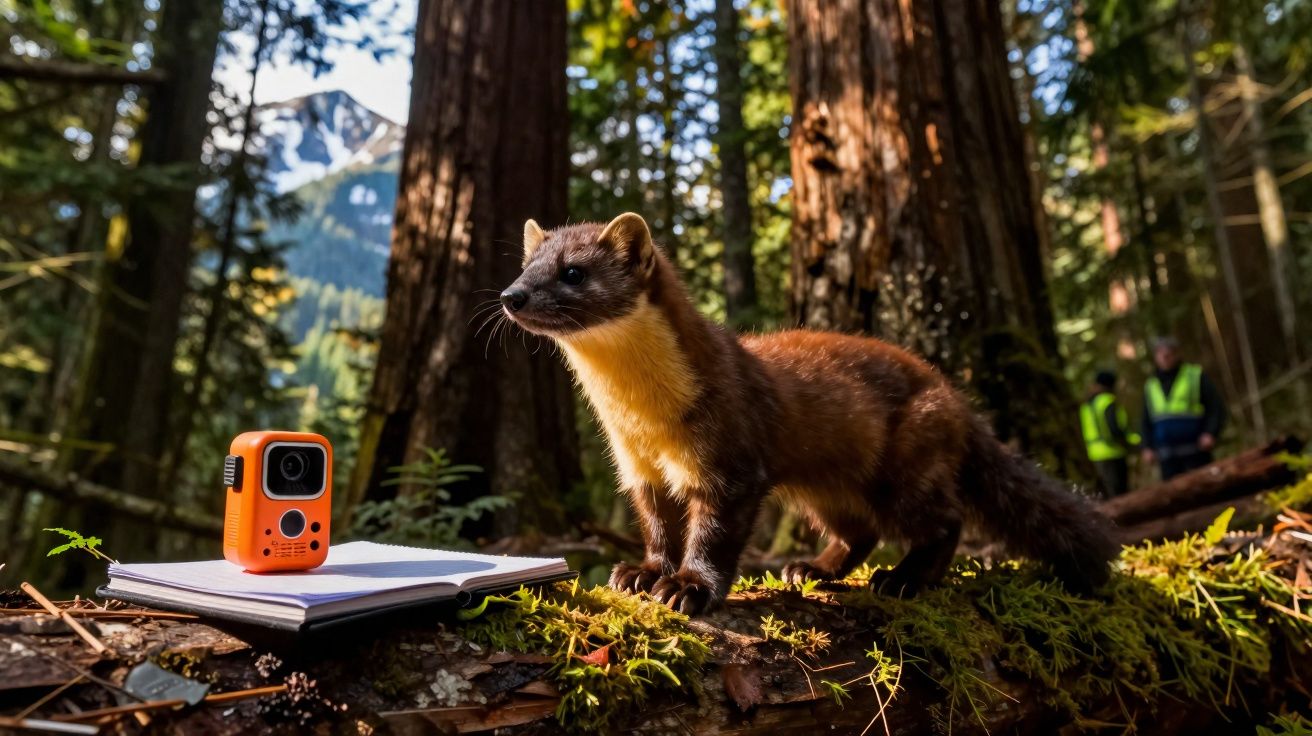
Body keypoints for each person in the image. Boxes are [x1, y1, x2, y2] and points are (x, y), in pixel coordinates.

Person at [1141, 337, 1227, 480]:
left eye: (1168, 353)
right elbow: (1145, 420)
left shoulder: (1194, 375)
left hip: (1196, 450)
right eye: (1160, 353)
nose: (1165, 357)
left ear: (1176, 354)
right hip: (1167, 456)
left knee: (1206, 487)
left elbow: (1216, 407)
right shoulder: (1150, 385)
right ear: (1155, 357)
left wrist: (1211, 432)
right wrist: (1146, 447)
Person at [1079, 370, 1139, 496]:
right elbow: (1114, 428)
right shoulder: (1107, 401)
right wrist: (1130, 444)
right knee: (1120, 491)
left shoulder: (1087, 405)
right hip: (1113, 452)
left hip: (1095, 454)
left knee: (1109, 491)